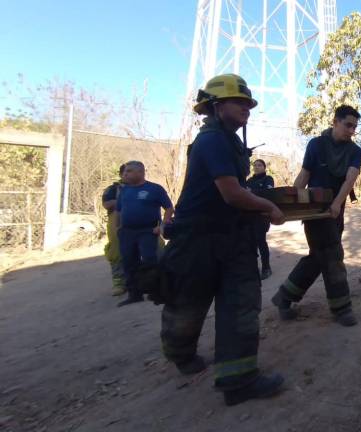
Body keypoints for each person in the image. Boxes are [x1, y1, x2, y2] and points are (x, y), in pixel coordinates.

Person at [159, 74, 286, 406]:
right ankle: (184, 356)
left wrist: (255, 208)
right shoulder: (213, 140)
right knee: (189, 302)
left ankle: (237, 379)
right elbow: (231, 193)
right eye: (239, 102)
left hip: (228, 238)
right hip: (199, 240)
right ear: (215, 106)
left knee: (239, 305)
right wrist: (268, 207)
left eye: (248, 103)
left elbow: (235, 193)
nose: (246, 108)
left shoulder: (226, 140)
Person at [271, 105, 361, 327]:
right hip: (314, 212)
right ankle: (341, 308)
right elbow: (304, 175)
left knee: (319, 256)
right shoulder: (316, 145)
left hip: (335, 209)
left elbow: (350, 180)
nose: (351, 130)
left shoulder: (355, 151)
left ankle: (284, 296)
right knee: (332, 255)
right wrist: (289, 206)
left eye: (354, 127)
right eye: (347, 125)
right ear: (335, 122)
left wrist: (336, 205)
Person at [116, 161, 174, 307]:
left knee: (149, 260)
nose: (125, 174)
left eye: (129, 171)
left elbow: (168, 207)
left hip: (147, 231)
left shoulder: (154, 189)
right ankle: (134, 294)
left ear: (140, 173)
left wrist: (162, 225)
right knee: (128, 261)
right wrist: (118, 227)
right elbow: (119, 210)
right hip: (127, 232)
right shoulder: (124, 190)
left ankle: (156, 291)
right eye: (125, 171)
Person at [245, 159, 275, 280]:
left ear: (264, 167)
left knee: (260, 241)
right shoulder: (249, 181)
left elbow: (268, 193)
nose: (256, 167)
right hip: (248, 215)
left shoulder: (268, 179)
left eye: (259, 165)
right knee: (250, 242)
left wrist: (252, 192)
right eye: (255, 165)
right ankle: (252, 268)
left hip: (262, 215)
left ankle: (266, 268)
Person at [102, 164, 127, 296]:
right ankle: (119, 282)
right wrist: (125, 200)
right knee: (117, 251)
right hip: (117, 222)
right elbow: (106, 204)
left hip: (142, 223)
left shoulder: (147, 187)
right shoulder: (113, 189)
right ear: (121, 174)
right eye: (127, 172)